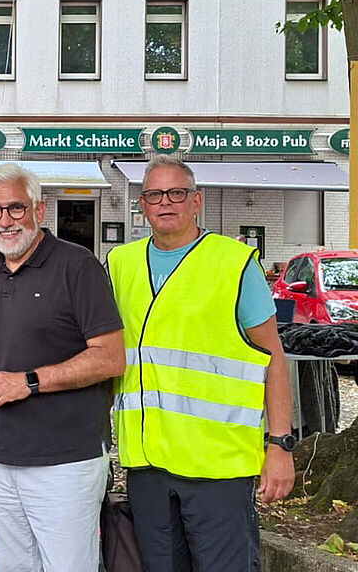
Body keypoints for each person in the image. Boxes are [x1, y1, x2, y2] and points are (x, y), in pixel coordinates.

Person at [106, 156, 294, 572]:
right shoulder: (120, 265)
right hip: (146, 463)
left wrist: (280, 444)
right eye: (155, 194)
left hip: (217, 467)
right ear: (142, 204)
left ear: (197, 201)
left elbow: (272, 357)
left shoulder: (234, 263)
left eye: (177, 193)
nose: (166, 202)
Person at [0, 163, 125, 572]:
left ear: (39, 210)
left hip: (65, 463)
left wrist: (30, 382)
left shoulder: (77, 266)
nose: (5, 220)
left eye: (16, 208)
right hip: (1, 458)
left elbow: (110, 356)